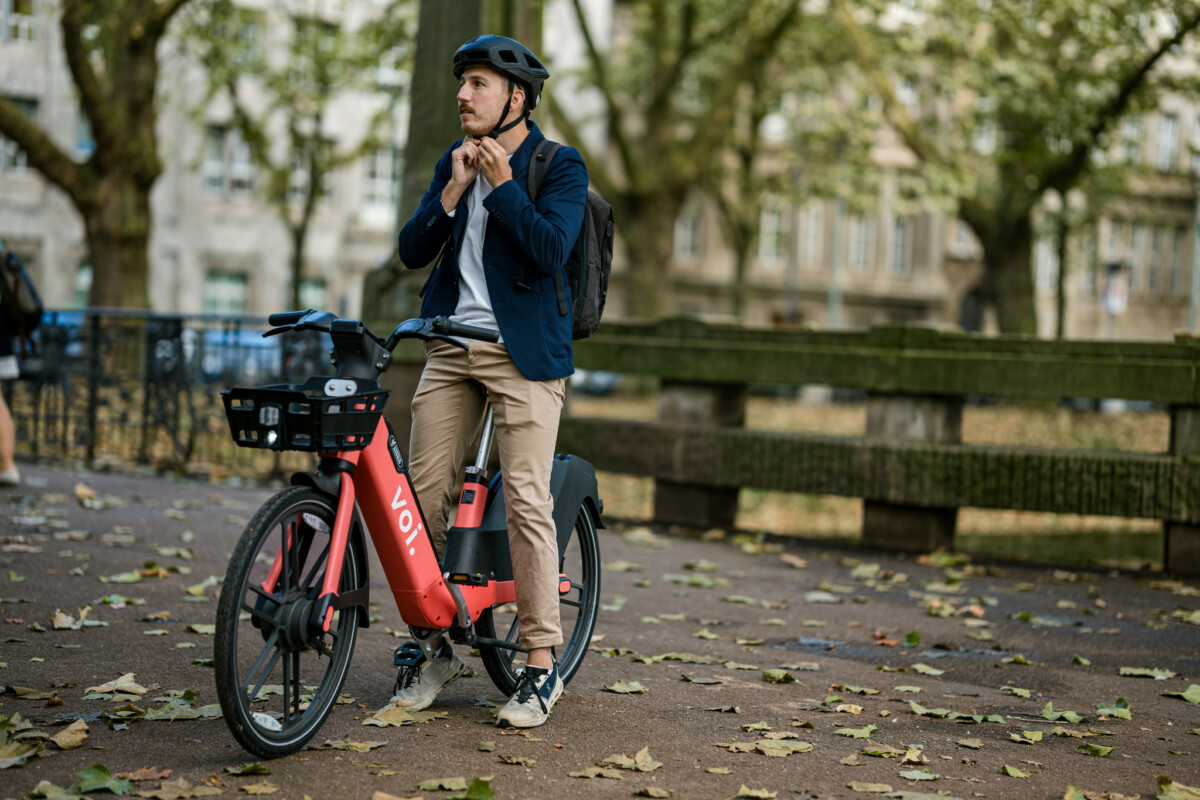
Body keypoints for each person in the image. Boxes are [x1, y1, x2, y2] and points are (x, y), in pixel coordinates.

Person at [394, 34, 588, 729]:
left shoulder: (558, 166)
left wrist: (503, 188)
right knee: (417, 498)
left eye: (477, 83)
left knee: (529, 502)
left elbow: (550, 251)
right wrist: (451, 192)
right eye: (462, 82)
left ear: (518, 97)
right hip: (452, 348)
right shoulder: (456, 163)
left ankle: (540, 664)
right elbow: (412, 250)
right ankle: (435, 643)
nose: (462, 95)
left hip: (524, 354)